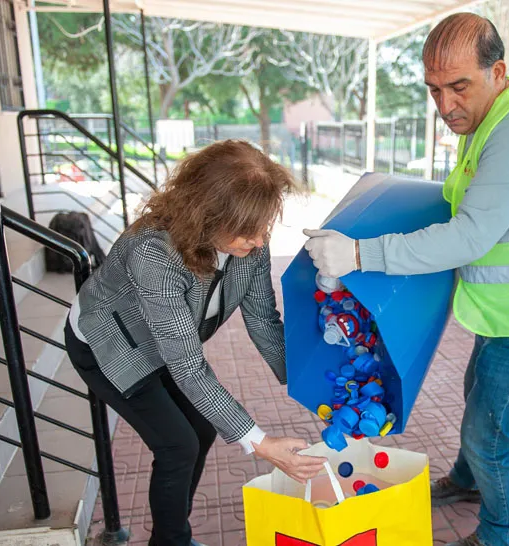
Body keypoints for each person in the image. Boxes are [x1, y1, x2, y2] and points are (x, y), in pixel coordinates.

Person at [303, 13, 509, 546]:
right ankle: (469, 483)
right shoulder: (487, 116)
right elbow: (459, 202)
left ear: (498, 72)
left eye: (459, 86)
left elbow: (468, 236)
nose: (445, 105)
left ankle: (501, 535)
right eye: (434, 89)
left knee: (488, 431)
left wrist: (357, 253)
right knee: (478, 400)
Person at [64, 140, 326, 546]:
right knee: (178, 445)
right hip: (110, 344)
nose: (259, 241)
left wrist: (310, 387)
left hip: (167, 342)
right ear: (206, 215)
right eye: (248, 231)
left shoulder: (250, 239)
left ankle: (174, 537)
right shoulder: (154, 252)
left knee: (201, 431)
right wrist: (261, 443)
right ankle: (170, 542)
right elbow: (187, 366)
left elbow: (262, 319)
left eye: (263, 227)